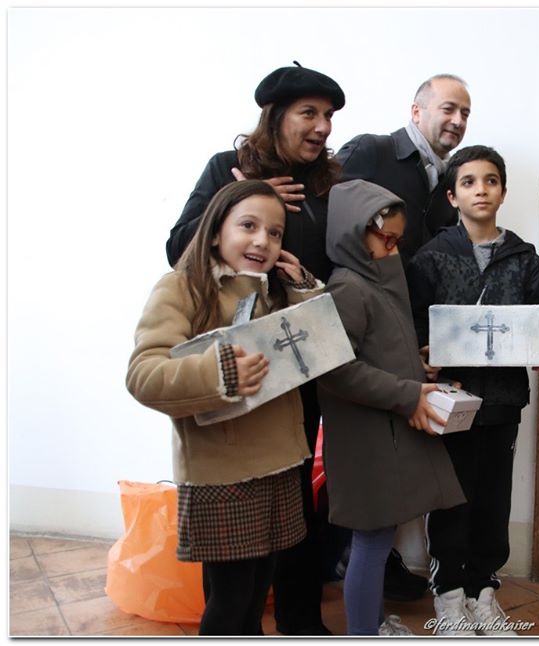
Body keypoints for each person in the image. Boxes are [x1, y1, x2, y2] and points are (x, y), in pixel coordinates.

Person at [164, 62, 347, 636]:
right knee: (229, 509)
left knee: (294, 497)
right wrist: (239, 198)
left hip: (296, 365)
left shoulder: (329, 186)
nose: (322, 127)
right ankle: (229, 623)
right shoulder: (227, 167)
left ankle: (300, 620)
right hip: (231, 366)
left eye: (329, 116)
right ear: (275, 117)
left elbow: (333, 267)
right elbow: (178, 248)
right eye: (309, 113)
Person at [127, 180, 322, 635]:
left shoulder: (273, 290)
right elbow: (144, 374)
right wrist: (220, 375)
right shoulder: (182, 288)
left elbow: (317, 349)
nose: (262, 241)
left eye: (274, 233)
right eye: (248, 226)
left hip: (278, 466)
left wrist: (303, 289)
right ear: (216, 231)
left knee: (257, 592)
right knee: (230, 601)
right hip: (223, 474)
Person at [407, 145, 539, 636]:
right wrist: (421, 355)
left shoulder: (523, 256)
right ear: (452, 196)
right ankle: (449, 596)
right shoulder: (432, 256)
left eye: (491, 181)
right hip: (449, 400)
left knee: (493, 501)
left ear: (503, 191)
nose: (481, 190)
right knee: (452, 498)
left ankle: (483, 593)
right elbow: (413, 326)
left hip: (502, 401)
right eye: (469, 182)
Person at [316, 179, 466, 636]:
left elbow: (378, 352)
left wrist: (417, 368)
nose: (393, 249)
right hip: (365, 441)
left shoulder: (377, 285)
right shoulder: (347, 289)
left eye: (398, 240)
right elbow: (335, 371)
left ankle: (374, 623)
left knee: (378, 537)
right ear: (354, 232)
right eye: (386, 239)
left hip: (382, 434)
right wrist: (408, 393)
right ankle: (364, 632)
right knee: (371, 539)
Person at [337, 74, 470, 267]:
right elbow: (321, 204)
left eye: (465, 114)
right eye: (448, 109)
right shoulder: (371, 149)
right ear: (416, 112)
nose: (458, 121)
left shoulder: (452, 181)